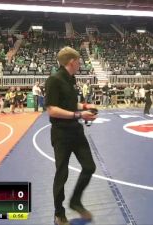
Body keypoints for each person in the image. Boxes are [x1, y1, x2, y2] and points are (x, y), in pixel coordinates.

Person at [45, 47, 97, 225]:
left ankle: (75, 201)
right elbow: (52, 109)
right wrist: (79, 115)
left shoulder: (71, 79)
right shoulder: (54, 80)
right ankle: (59, 213)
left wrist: (84, 107)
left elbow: (70, 103)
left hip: (76, 131)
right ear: (72, 61)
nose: (80, 63)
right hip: (61, 134)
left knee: (89, 167)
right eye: (79, 61)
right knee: (62, 173)